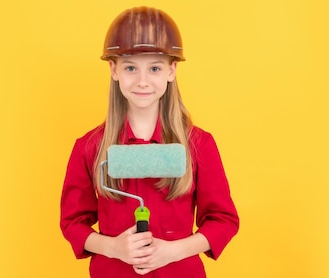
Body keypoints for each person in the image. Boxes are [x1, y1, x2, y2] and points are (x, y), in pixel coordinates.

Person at [60, 6, 239, 277]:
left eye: (154, 68)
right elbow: (73, 223)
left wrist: (173, 251)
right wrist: (113, 247)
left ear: (171, 71)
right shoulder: (90, 147)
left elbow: (223, 221)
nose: (143, 81)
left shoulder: (199, 145)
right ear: (114, 69)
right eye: (131, 67)